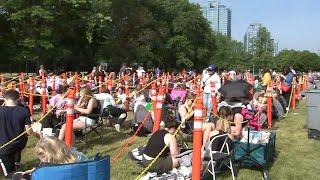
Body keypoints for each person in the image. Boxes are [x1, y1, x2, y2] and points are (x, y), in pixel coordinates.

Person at [0, 90, 40, 177]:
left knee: (9, 174)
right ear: (18, 99)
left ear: (4, 99)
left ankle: (25, 176)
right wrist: (37, 135)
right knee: (12, 160)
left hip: (4, 147)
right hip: (19, 144)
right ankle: (16, 163)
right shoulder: (24, 111)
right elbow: (28, 131)